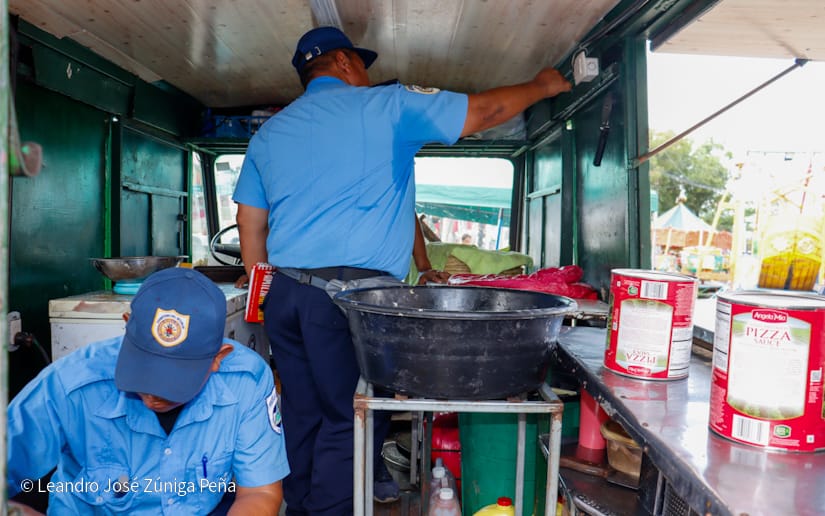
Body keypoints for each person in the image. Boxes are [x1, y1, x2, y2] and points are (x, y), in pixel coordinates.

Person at [233, 26, 571, 514]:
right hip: (348, 301)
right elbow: (485, 112)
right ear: (346, 62)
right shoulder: (386, 106)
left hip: (285, 295)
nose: (368, 73)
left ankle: (297, 505)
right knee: (348, 417)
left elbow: (250, 221)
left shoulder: (271, 132)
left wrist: (260, 285)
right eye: (362, 64)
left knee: (300, 413)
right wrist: (542, 86)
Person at [6, 268, 289, 515]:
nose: (154, 395)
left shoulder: (246, 381)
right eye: (146, 371)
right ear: (127, 325)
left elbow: (259, 493)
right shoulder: (72, 384)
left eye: (175, 381)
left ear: (219, 357)